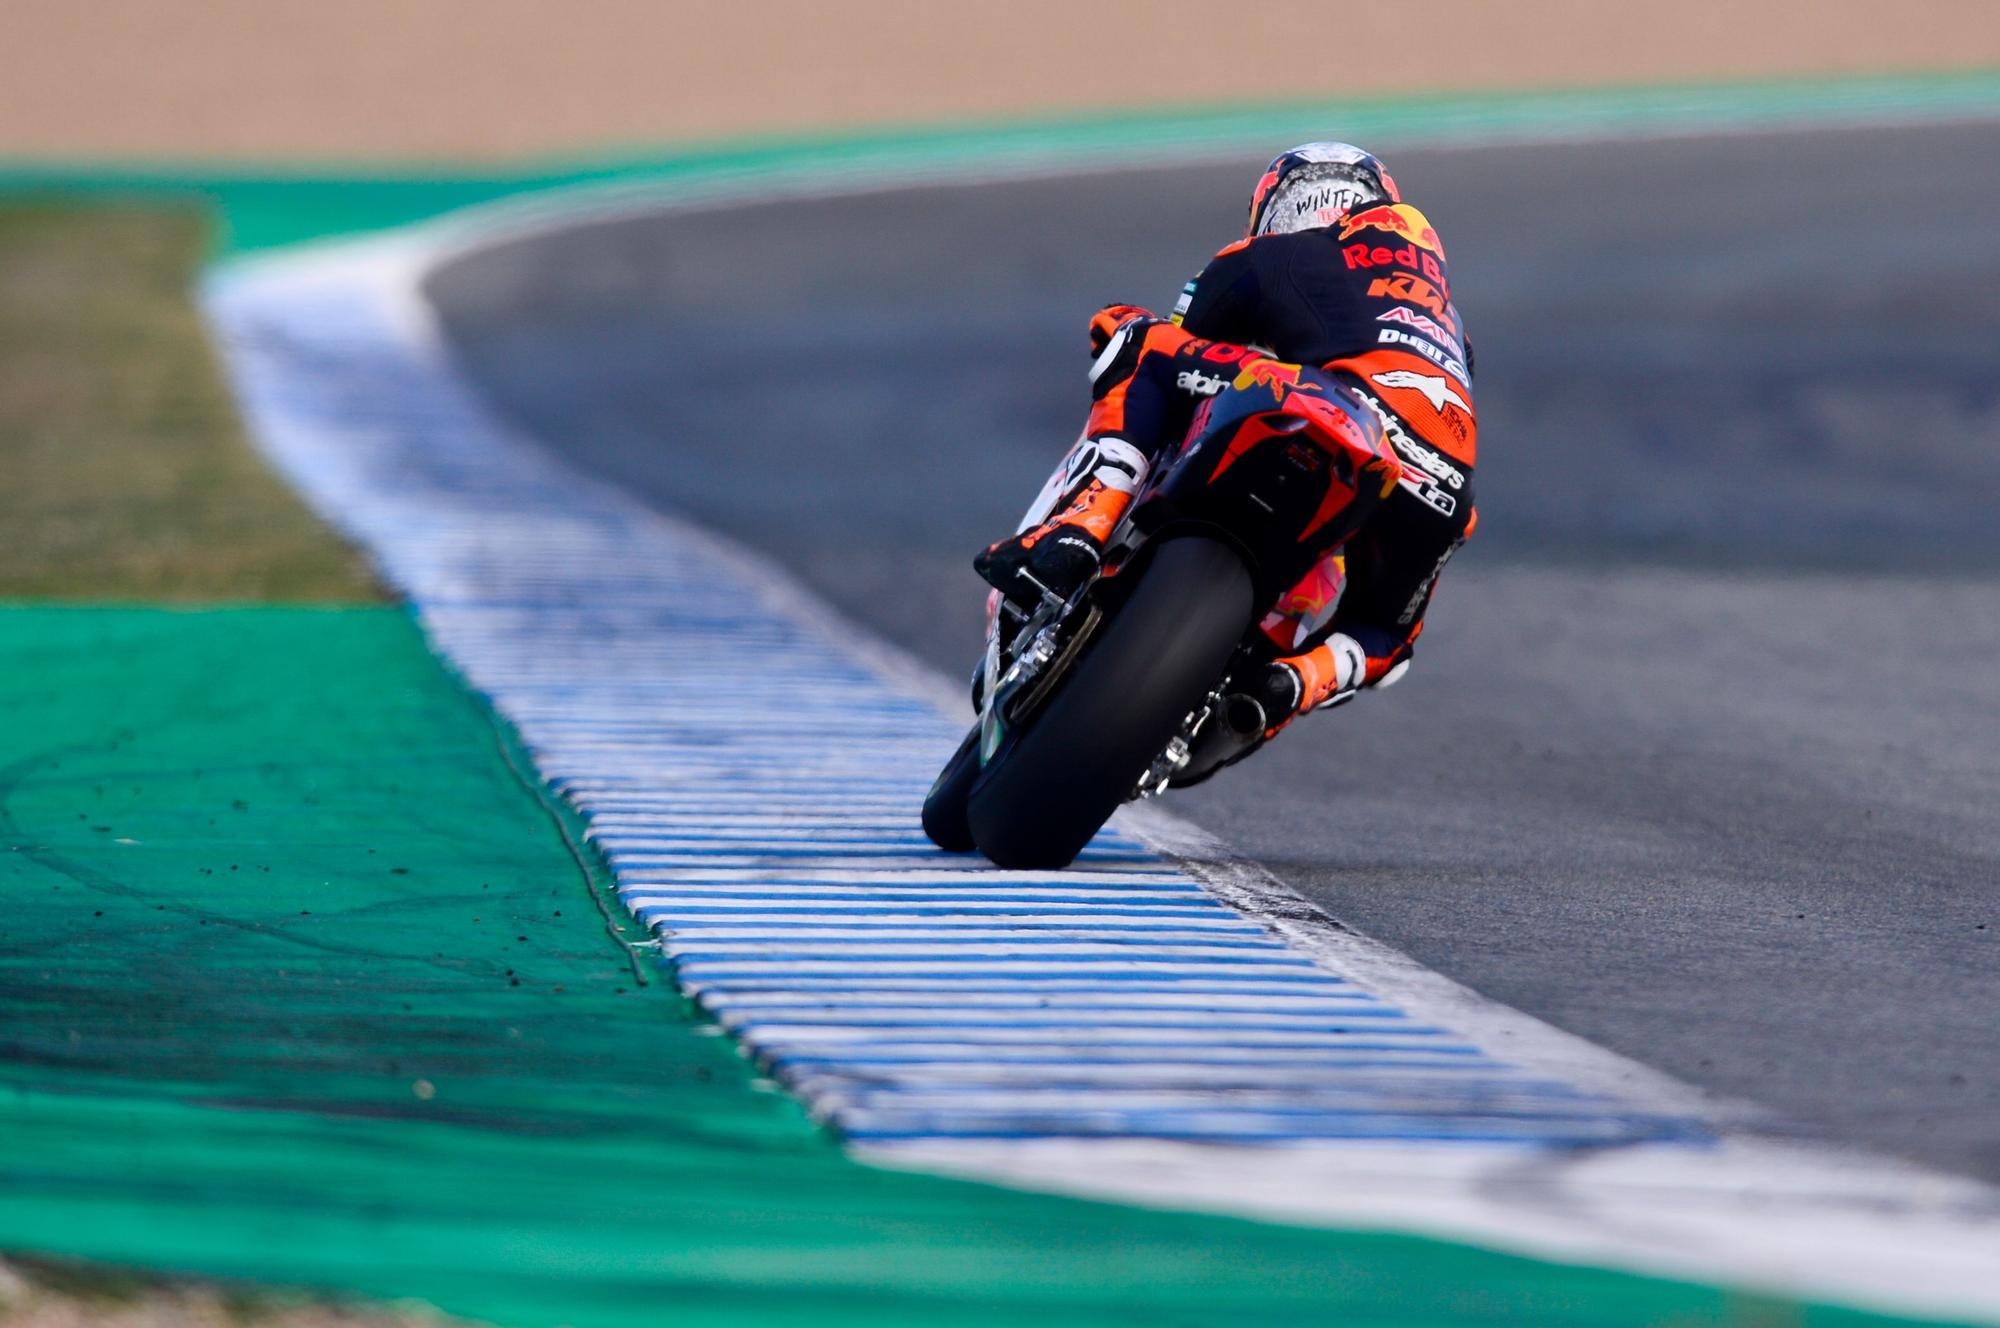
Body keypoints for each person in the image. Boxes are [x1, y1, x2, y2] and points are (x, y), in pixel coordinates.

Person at [975, 142, 1477, 746]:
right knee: (1386, 636)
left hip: (1322, 402)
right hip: (1442, 484)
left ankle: (1079, 531)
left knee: (1133, 338)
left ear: (1283, 205)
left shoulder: (1273, 256)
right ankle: (1291, 683)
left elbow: (1184, 344)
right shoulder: (1449, 321)